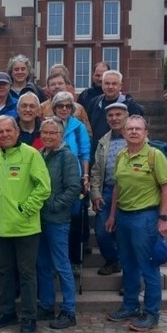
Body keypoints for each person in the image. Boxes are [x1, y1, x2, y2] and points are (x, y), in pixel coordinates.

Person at [105, 115, 167, 332]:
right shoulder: (122, 155)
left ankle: (152, 313)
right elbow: (117, 188)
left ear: (146, 133)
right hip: (123, 216)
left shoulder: (155, 156)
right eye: (130, 129)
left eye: (138, 129)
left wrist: (163, 218)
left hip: (146, 218)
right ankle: (130, 306)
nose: (133, 132)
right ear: (123, 133)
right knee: (128, 265)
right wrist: (113, 215)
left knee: (148, 267)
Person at [0, 115, 51, 333]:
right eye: (0, 132)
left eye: (8, 130)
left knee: (26, 273)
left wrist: (26, 209)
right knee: (4, 272)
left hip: (25, 227)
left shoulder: (31, 155)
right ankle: (7, 312)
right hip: (0, 226)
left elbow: (43, 188)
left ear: (17, 131)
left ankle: (29, 316)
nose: (4, 135)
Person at [36, 117, 81, 329]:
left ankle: (69, 311)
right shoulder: (39, 155)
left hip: (57, 220)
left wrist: (54, 204)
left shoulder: (68, 157)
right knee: (42, 265)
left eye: (52, 133)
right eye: (44, 132)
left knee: (62, 265)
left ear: (60, 135)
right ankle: (46, 305)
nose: (48, 136)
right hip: (39, 220)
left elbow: (73, 188)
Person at [51, 91, 91, 272]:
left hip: (74, 178)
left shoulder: (78, 126)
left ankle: (73, 260)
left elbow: (85, 152)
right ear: (54, 108)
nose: (64, 109)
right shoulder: (49, 124)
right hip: (53, 179)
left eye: (68, 106)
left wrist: (86, 176)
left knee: (74, 218)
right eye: (60, 105)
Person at [90, 102, 128, 277]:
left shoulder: (135, 137)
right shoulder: (103, 141)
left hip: (130, 193)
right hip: (107, 191)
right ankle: (113, 261)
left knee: (126, 234)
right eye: (111, 116)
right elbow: (96, 170)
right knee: (102, 231)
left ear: (126, 116)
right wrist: (95, 194)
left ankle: (129, 276)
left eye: (118, 115)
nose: (114, 118)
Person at [87, 70, 144, 155]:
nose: (110, 87)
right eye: (107, 83)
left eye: (114, 84)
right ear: (102, 85)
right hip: (98, 154)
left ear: (120, 86)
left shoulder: (130, 105)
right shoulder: (94, 103)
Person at [40, 72, 92, 136]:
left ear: (66, 85)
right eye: (53, 84)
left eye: (60, 83)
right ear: (47, 87)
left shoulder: (79, 108)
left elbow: (88, 133)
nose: (57, 86)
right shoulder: (42, 108)